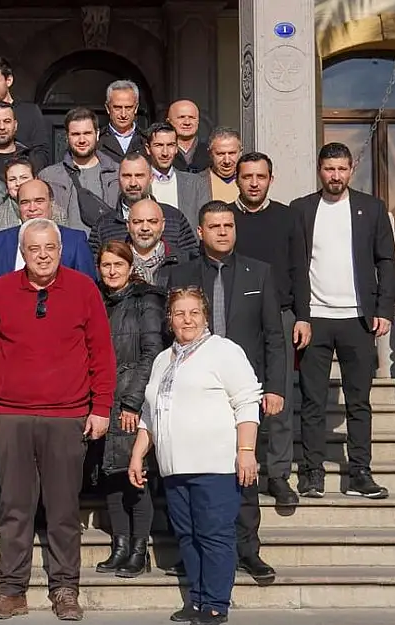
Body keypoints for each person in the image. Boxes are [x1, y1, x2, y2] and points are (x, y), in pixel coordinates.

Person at [0, 218, 116, 620]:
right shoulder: (2, 290)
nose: (42, 255)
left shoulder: (84, 289)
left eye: (49, 247)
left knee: (63, 509)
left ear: (60, 248)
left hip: (68, 417)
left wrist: (101, 407)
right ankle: (12, 590)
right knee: (15, 509)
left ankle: (65, 588)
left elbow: (101, 353)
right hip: (12, 416)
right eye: (34, 249)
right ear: (23, 251)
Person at [168, 201, 286, 582]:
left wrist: (276, 388)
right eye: (214, 226)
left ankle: (248, 550)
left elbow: (273, 336)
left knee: (245, 468)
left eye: (228, 225)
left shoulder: (260, 273)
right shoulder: (182, 273)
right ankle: (197, 553)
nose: (222, 232)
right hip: (195, 394)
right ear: (200, 232)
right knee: (198, 476)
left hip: (242, 392)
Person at [129, 286, 262, 625]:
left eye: (194, 313)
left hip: (214, 465)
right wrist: (137, 454)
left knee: (214, 534)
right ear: (169, 319)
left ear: (205, 316)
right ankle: (197, 599)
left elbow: (247, 402)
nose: (187, 319)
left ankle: (216, 603)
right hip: (175, 467)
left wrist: (245, 451)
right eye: (179, 313)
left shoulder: (224, 352)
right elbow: (150, 412)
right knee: (187, 535)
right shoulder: (163, 359)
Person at [291, 142, 395, 499]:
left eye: (341, 169)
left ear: (352, 169)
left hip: (358, 319)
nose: (335, 176)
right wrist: (300, 315)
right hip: (315, 319)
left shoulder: (371, 209)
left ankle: (360, 474)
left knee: (359, 401)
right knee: (311, 400)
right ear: (319, 170)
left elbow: (386, 261)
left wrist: (385, 308)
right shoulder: (302, 209)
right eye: (328, 169)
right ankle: (312, 473)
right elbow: (294, 266)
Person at [233, 151, 311, 507]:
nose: (253, 183)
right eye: (247, 176)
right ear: (237, 178)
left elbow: (300, 269)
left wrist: (303, 316)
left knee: (279, 396)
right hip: (237, 316)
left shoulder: (288, 217)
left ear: (270, 179)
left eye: (260, 177)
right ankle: (235, 466)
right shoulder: (226, 218)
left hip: (281, 316)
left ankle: (278, 474)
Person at [92, 241, 164, 579]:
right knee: (111, 476)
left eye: (117, 265)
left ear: (129, 265)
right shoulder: (97, 300)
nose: (111, 271)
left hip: (131, 401)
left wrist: (133, 401)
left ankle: (139, 549)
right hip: (103, 400)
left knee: (135, 477)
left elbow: (151, 352)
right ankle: (120, 547)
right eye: (105, 265)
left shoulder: (145, 300)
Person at [0, 180, 95, 279]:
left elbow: (88, 287)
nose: (32, 208)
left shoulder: (75, 241)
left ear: (51, 203)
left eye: (39, 201)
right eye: (25, 202)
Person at [39, 107, 119, 231]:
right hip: (67, 247)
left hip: (107, 247)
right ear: (67, 137)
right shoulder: (48, 177)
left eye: (87, 133)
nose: (82, 140)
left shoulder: (117, 173)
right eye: (76, 134)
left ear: (97, 134)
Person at [0, 156, 37, 239]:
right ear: (6, 184)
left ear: (35, 179)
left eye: (24, 178)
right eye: (12, 179)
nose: (18, 183)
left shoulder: (57, 214)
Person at [97, 80, 146, 163]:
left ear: (136, 108)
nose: (123, 114)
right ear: (108, 108)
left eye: (128, 108)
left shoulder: (147, 140)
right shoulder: (97, 141)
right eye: (117, 108)